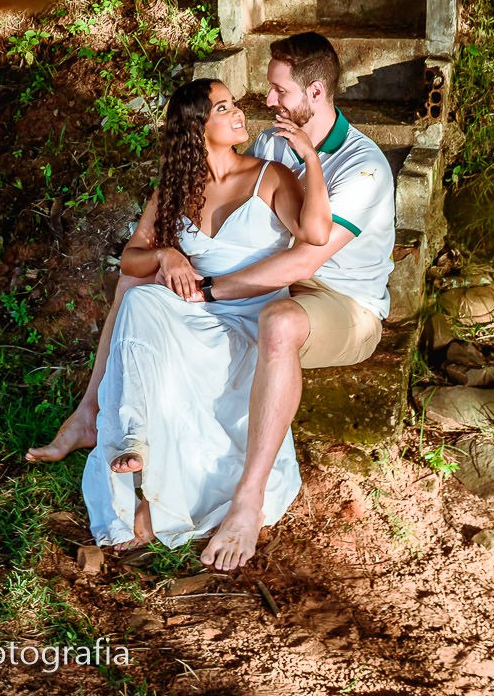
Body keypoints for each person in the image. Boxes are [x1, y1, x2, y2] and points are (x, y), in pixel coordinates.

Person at [35, 32, 397, 571]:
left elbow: (303, 258)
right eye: (238, 103)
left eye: (277, 91)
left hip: (340, 302)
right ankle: (95, 416)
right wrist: (167, 258)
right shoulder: (272, 143)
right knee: (139, 291)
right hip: (262, 289)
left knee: (276, 320)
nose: (265, 102)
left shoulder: (361, 167)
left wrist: (212, 290)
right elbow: (222, 203)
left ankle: (247, 500)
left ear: (315, 92)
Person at [78, 76, 335, 551]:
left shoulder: (269, 177)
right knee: (139, 299)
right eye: (223, 108)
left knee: (154, 313)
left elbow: (316, 233)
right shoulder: (176, 189)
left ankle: (189, 496)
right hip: (195, 311)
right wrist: (165, 257)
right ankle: (133, 440)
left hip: (252, 315)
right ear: (196, 129)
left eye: (234, 105)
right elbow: (132, 258)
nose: (239, 114)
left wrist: (311, 160)